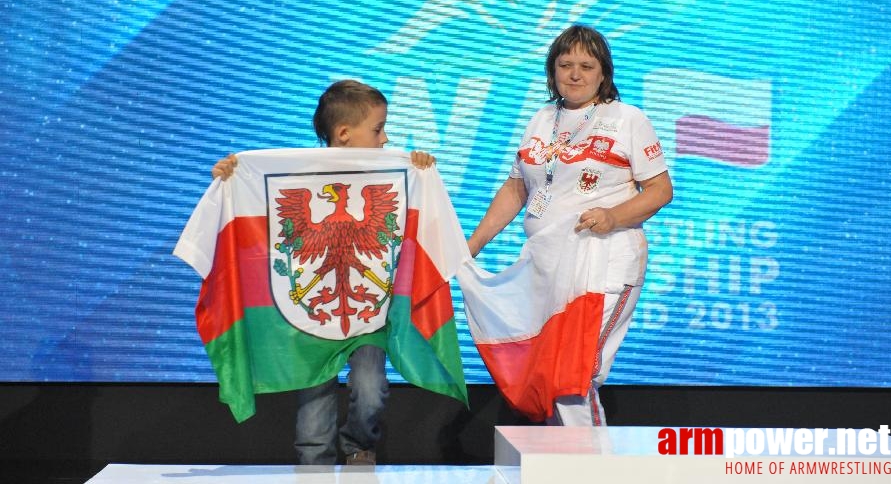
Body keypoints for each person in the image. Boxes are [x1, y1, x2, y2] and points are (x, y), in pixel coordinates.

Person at [211, 79, 435, 466]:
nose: (386, 139)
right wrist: (233, 175)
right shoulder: (299, 177)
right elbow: (259, 210)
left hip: (369, 313)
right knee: (313, 410)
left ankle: (358, 447)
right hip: (311, 314)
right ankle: (313, 468)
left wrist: (419, 170)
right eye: (378, 129)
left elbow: (412, 214)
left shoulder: (387, 177)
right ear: (344, 133)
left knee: (371, 389)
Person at [465, 24, 673, 426]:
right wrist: (471, 245)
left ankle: (584, 466)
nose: (575, 74)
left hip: (604, 262)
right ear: (552, 71)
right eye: (565, 65)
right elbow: (516, 189)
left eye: (586, 65)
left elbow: (660, 190)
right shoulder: (541, 119)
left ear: (603, 73)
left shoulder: (627, 119)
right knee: (551, 378)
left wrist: (613, 216)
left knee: (573, 374)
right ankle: (561, 463)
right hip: (547, 265)